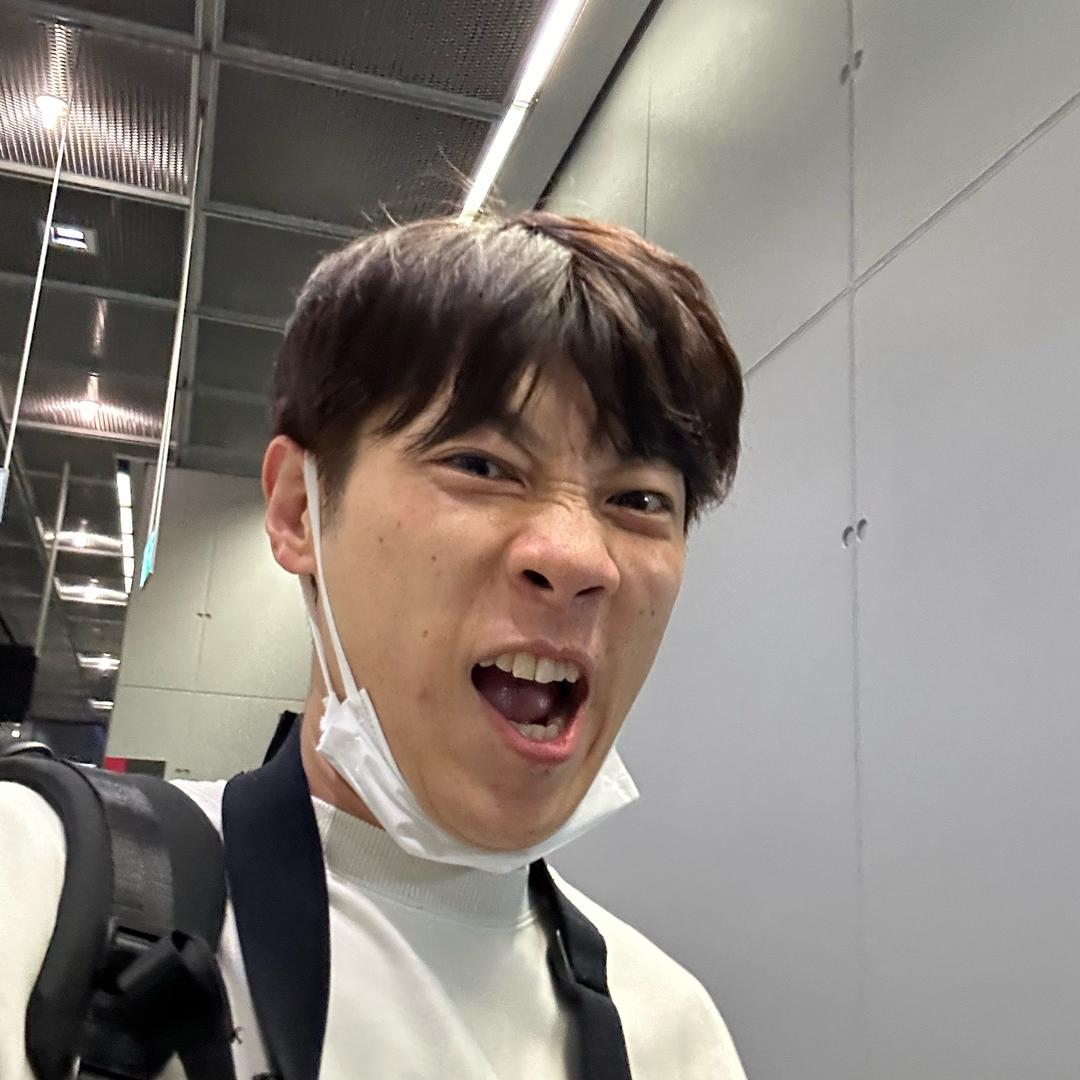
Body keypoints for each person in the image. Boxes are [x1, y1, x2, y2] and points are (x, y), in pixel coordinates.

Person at [0, 211, 747, 1078]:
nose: (579, 559)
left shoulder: (672, 1036)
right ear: (297, 512)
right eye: (481, 466)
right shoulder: (42, 883)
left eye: (641, 500)